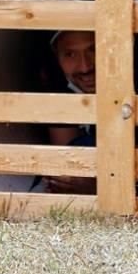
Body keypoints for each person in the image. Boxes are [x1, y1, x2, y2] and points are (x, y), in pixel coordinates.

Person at [41, 29, 98, 194]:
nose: (85, 67)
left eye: (94, 49)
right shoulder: (59, 87)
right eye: (70, 54)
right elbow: (66, 164)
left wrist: (102, 186)